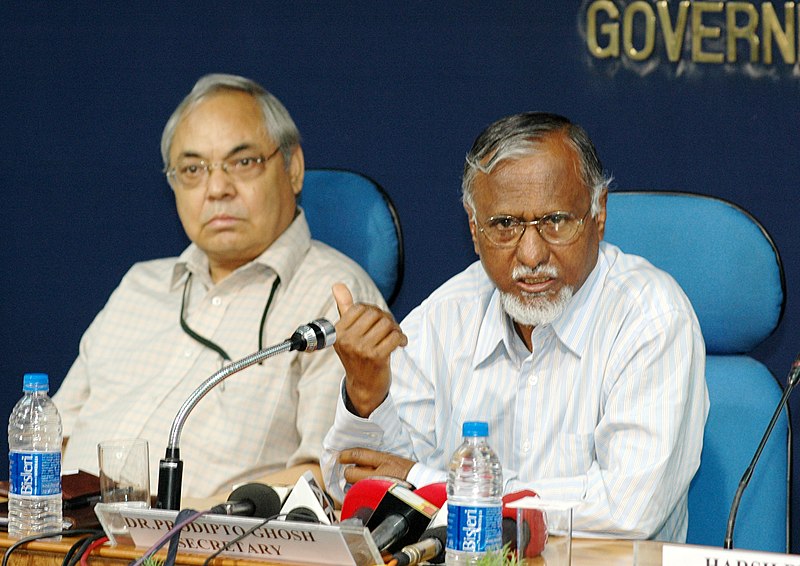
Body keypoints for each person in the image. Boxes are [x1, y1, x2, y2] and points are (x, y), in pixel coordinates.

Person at [322, 112, 709, 541]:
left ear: (598, 214)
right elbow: (354, 489)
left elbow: (628, 509)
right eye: (504, 225)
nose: (530, 254)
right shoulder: (448, 314)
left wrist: (432, 486)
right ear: (474, 228)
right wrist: (366, 395)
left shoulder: (651, 317)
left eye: (555, 221)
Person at [53, 74, 386, 499]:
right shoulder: (139, 285)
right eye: (193, 169)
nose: (216, 189)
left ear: (294, 168)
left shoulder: (333, 300)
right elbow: (50, 436)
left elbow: (326, 478)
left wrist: (177, 520)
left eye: (243, 162)